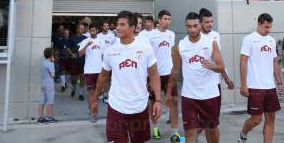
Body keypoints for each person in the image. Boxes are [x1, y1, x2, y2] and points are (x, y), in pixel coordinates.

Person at [90, 11, 162, 143]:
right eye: (117, 24)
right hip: (116, 107)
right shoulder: (110, 51)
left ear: (133, 28)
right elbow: (103, 76)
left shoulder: (145, 48)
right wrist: (95, 98)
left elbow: (154, 75)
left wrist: (157, 100)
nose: (118, 27)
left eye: (122, 24)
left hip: (139, 107)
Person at [167, 12, 226, 143]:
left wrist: (212, 66)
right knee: (189, 132)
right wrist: (169, 93)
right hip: (189, 95)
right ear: (185, 26)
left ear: (200, 25)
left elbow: (221, 66)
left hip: (210, 94)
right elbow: (175, 71)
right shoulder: (180, 46)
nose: (192, 29)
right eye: (189, 26)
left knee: (211, 129)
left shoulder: (211, 43)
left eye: (195, 26)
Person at [238, 13, 283, 143]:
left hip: (270, 87)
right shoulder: (249, 39)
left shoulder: (271, 40)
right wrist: (243, 84)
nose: (268, 30)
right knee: (256, 120)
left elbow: (274, 62)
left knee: (271, 118)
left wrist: (279, 82)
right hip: (255, 86)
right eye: (266, 27)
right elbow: (243, 61)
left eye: (270, 27)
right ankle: (243, 133)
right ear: (259, 24)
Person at [148, 10, 180, 141]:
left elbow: (172, 53)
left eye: (169, 19)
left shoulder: (171, 35)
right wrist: (149, 77)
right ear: (159, 20)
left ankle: (175, 133)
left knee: (173, 102)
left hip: (169, 74)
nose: (167, 21)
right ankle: (155, 129)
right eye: (165, 19)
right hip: (155, 75)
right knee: (154, 103)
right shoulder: (151, 35)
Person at [199, 8, 235, 101]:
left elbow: (218, 59)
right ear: (200, 22)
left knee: (214, 114)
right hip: (200, 83)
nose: (210, 24)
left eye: (211, 21)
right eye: (206, 22)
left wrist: (226, 78)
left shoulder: (215, 35)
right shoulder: (195, 37)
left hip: (214, 82)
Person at [78, 24, 103, 122]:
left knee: (96, 94)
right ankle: (94, 114)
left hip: (100, 71)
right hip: (89, 71)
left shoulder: (101, 41)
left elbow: (105, 55)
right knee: (91, 93)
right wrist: (87, 45)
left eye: (94, 30)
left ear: (97, 30)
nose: (92, 32)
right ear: (89, 31)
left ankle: (92, 107)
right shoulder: (85, 41)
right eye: (91, 30)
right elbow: (80, 54)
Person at [38, 48, 57, 124]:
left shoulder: (42, 62)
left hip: (43, 82)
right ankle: (50, 118)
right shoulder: (51, 64)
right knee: (50, 101)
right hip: (49, 83)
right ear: (52, 55)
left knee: (42, 100)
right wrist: (53, 63)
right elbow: (53, 75)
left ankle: (40, 117)